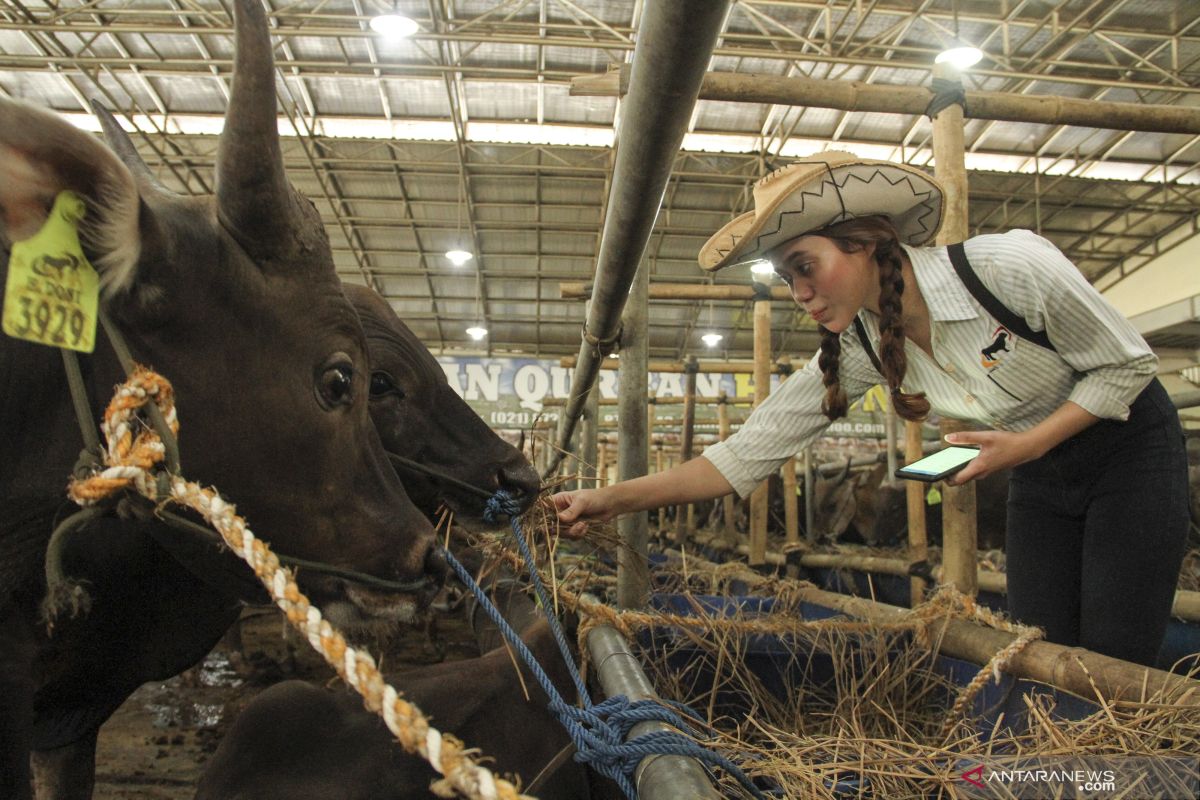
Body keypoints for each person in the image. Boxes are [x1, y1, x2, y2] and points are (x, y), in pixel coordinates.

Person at [552, 151, 1189, 667]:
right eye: (786, 278)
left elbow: (1128, 365)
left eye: (805, 266)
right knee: (1036, 648)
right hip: (1037, 474)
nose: (799, 293)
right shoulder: (858, 344)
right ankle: (1053, 782)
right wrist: (608, 499)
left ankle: (1110, 778)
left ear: (862, 241)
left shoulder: (1008, 268)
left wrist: (1023, 444)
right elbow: (743, 455)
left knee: (1112, 657)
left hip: (1127, 453)